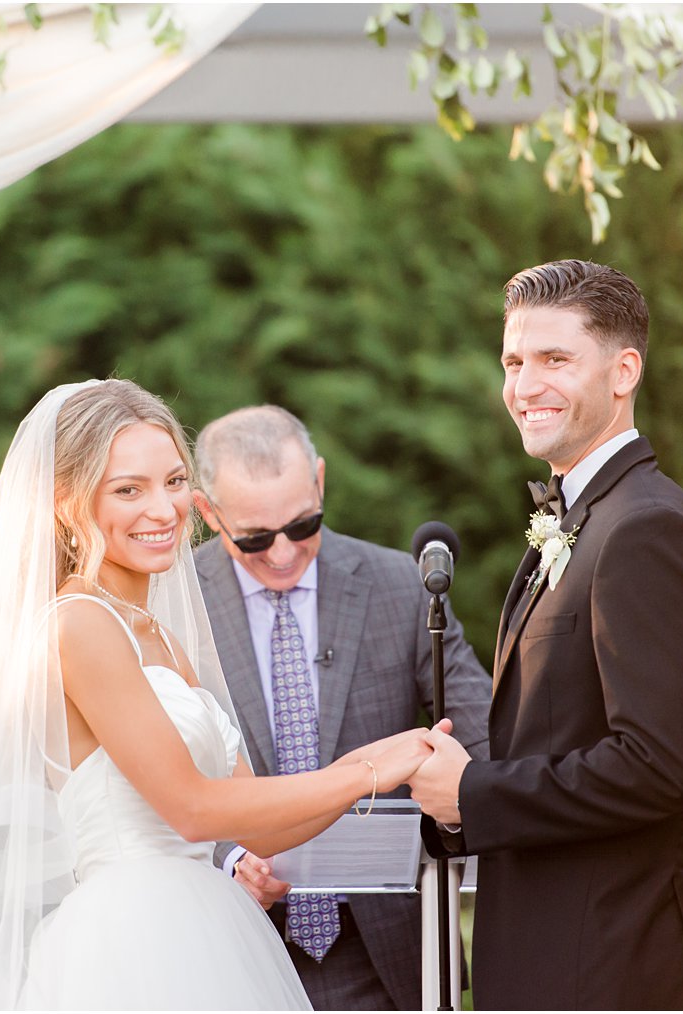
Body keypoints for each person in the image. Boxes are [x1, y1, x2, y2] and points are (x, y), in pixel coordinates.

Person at [0, 379, 438, 1011]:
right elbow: (193, 808)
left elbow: (256, 816)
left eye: (173, 482)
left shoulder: (160, 635)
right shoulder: (79, 622)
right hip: (134, 939)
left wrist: (390, 761)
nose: (164, 510)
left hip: (209, 922)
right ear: (66, 504)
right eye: (128, 490)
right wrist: (365, 770)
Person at [408, 259, 683, 1009]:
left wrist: (474, 790)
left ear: (624, 372)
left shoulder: (647, 529)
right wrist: (460, 793)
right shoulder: (584, 517)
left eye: (556, 360)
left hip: (613, 965)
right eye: (514, 362)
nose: (525, 386)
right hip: (551, 957)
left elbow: (657, 766)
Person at [191, 404, 493, 1011]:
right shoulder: (176, 607)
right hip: (231, 946)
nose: (281, 553)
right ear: (206, 512)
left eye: (303, 526)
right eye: (254, 537)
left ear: (321, 482)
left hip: (384, 949)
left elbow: (482, 738)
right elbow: (151, 774)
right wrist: (230, 860)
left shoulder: (400, 586)